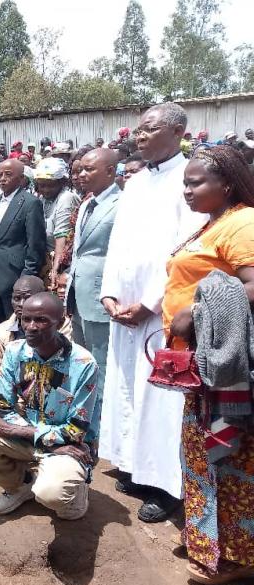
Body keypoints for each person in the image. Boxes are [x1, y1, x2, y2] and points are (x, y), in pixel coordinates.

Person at [99, 102, 208, 523]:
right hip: (122, 309)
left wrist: (148, 302)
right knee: (127, 387)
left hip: (160, 311)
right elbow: (118, 245)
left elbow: (185, 251)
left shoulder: (191, 180)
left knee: (159, 398)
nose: (139, 137)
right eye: (138, 131)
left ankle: (165, 487)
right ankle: (133, 466)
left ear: (177, 130)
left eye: (148, 129)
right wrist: (110, 295)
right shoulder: (137, 182)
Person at [162, 145, 254, 584]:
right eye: (185, 182)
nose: (187, 190)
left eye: (196, 182)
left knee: (229, 456)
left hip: (227, 364)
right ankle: (206, 537)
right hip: (202, 362)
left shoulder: (244, 223)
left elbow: (252, 287)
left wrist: (196, 315)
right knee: (200, 451)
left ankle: (237, 555)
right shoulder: (215, 223)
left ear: (228, 185)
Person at [0, 293, 98, 519]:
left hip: (69, 447)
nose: (31, 327)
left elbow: (76, 430)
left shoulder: (83, 364)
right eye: (26, 319)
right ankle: (20, 486)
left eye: (41, 320)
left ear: (60, 323)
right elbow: (2, 407)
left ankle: (76, 490)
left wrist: (12, 430)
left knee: (52, 495)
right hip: (43, 441)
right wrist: (43, 441)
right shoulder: (15, 352)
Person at [66, 148, 121, 424]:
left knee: (101, 365)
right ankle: (83, 418)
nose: (81, 175)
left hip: (101, 297)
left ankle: (98, 428)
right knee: (82, 362)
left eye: (89, 169)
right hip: (78, 295)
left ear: (110, 171)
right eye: (80, 170)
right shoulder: (87, 203)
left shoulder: (121, 205)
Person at [0, 275, 72, 403]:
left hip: (53, 400)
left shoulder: (60, 326)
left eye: (27, 298)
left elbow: (62, 369)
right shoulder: (0, 333)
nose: (21, 304)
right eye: (17, 298)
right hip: (8, 400)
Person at [0, 159, 47, 326]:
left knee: (19, 328)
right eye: (0, 174)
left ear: (21, 178)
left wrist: (26, 279)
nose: (3, 178)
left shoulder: (30, 203)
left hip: (16, 278)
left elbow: (35, 245)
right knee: (0, 328)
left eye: (8, 175)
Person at [33, 158, 80, 284]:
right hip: (46, 257)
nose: (46, 190)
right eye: (42, 186)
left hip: (61, 260)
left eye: (51, 185)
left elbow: (62, 235)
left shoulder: (66, 198)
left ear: (62, 183)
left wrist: (55, 268)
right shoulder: (42, 199)